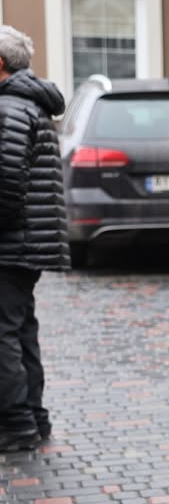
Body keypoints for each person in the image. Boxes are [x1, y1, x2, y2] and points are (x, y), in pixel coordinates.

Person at [0, 25, 66, 454]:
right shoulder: (29, 105)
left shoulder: (7, 108)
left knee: (3, 334)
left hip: (10, 241)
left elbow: (5, 183)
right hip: (27, 241)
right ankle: (34, 418)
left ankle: (16, 424)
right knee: (19, 329)